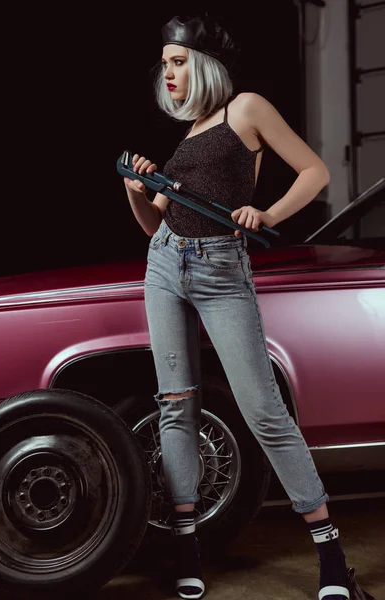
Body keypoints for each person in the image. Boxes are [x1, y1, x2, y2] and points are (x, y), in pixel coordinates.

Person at [124, 14, 351, 600]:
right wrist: (136, 194)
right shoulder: (192, 129)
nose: (167, 73)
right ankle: (187, 550)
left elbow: (315, 171)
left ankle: (330, 557)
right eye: (165, 64)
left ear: (201, 64)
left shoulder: (244, 109)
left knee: (265, 411)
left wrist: (268, 214)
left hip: (222, 269)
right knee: (176, 406)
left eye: (177, 62)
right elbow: (157, 228)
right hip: (165, 265)